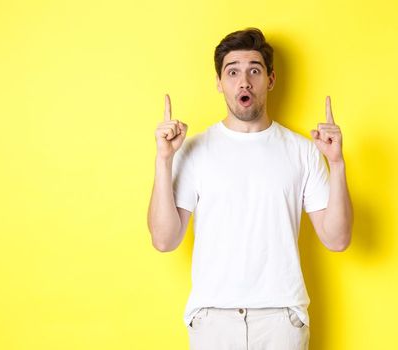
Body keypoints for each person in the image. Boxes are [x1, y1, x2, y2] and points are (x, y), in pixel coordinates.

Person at [146, 28, 353, 350]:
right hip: (213, 320)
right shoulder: (193, 150)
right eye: (233, 72)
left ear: (270, 79)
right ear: (219, 82)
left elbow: (337, 239)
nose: (244, 81)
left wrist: (337, 164)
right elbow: (164, 239)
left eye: (254, 70)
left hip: (281, 320)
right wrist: (164, 160)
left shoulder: (303, 151)